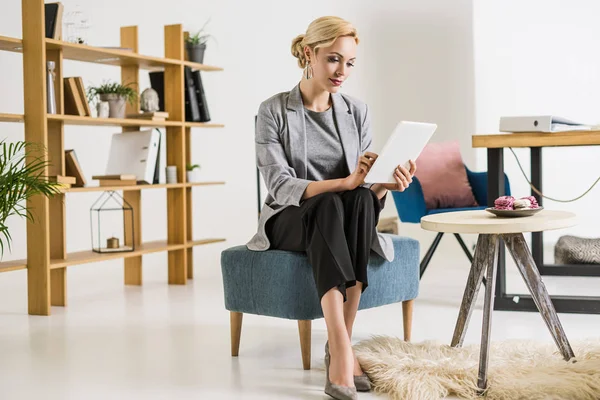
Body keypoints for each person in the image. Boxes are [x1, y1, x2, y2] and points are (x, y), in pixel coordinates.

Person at [246, 16, 416, 400]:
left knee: (358, 200)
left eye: (350, 63)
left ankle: (341, 344)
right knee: (329, 203)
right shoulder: (273, 110)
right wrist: (345, 182)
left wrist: (385, 183)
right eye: (333, 59)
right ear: (309, 53)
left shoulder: (356, 111)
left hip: (340, 215)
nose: (343, 71)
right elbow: (279, 184)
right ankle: (341, 346)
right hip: (288, 219)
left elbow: (363, 189)